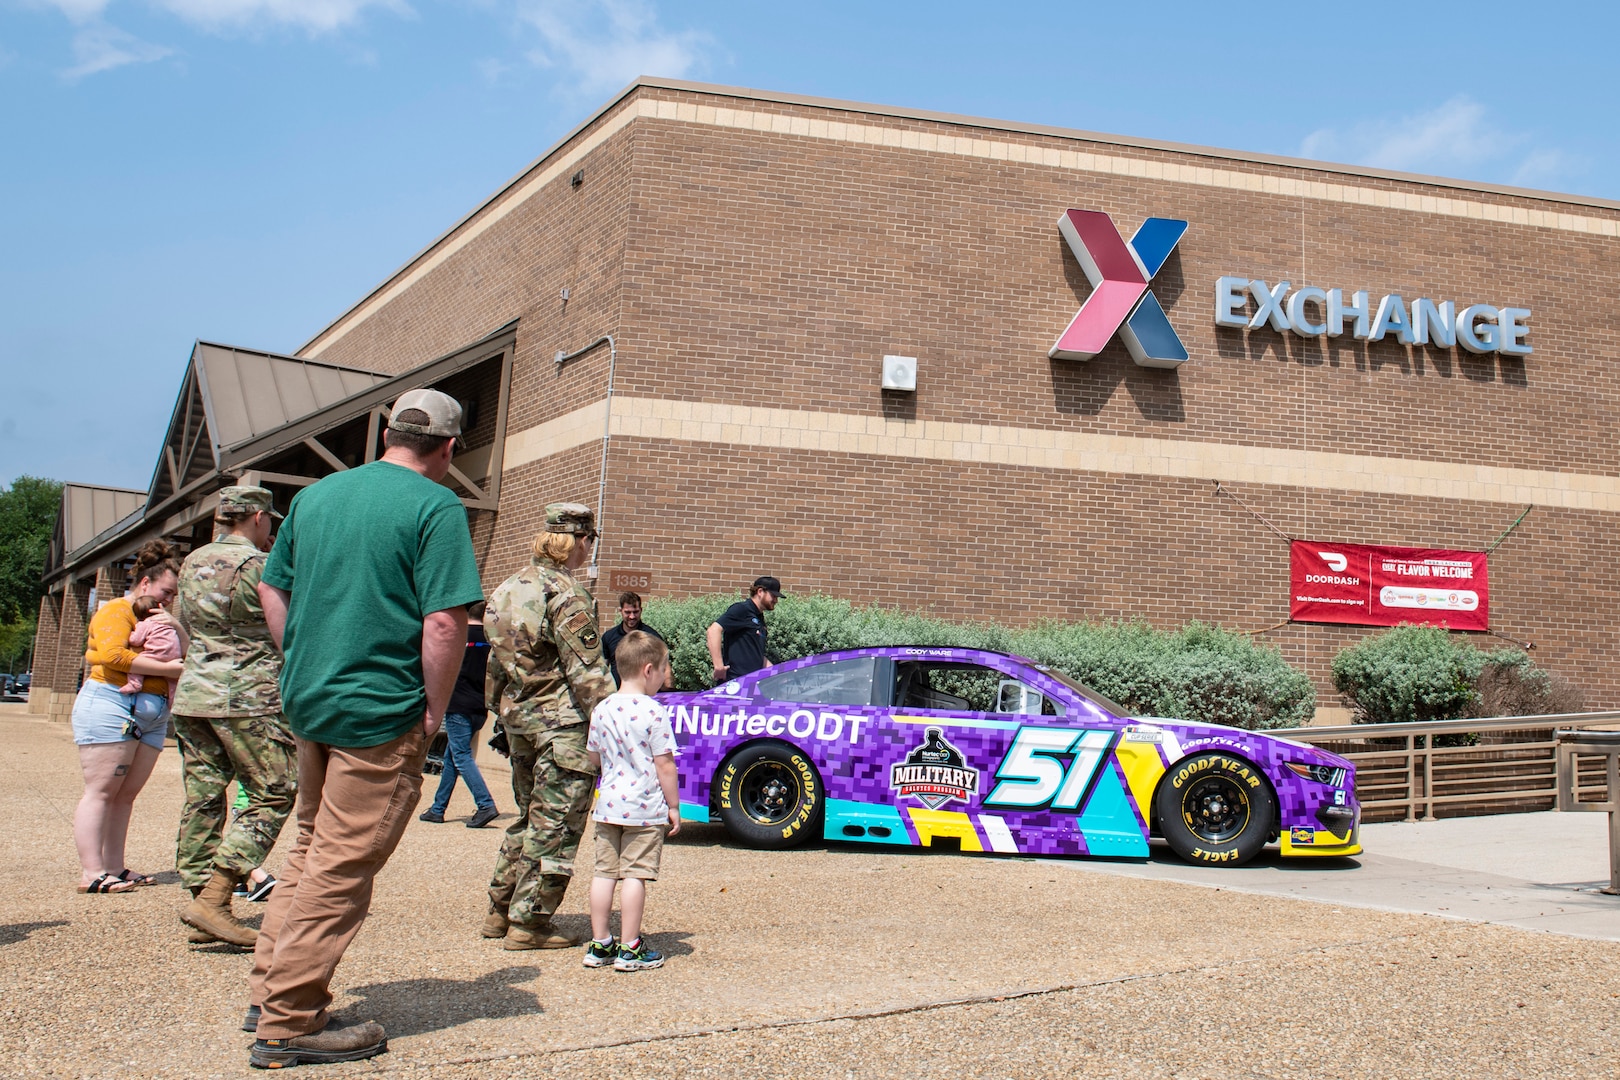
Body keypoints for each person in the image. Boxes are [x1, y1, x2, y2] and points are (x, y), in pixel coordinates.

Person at [246, 388, 483, 1070]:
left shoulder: (319, 497)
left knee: (311, 845)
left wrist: (304, 656)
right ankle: (290, 1021)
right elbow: (445, 621)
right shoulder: (435, 505)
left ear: (386, 431)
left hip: (310, 701)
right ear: (448, 446)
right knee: (343, 863)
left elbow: (272, 584)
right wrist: (434, 709)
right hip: (378, 709)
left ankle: (270, 991)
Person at [483, 503, 616, 951]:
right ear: (579, 541)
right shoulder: (568, 593)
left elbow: (494, 665)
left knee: (526, 819)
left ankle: (500, 911)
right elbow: (588, 674)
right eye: (589, 542)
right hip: (562, 727)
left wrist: (499, 712)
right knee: (555, 825)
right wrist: (616, 727)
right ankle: (530, 923)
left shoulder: (508, 588)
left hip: (520, 720)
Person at [170, 485, 297, 949]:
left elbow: (184, 621)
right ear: (259, 518)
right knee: (277, 789)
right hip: (247, 695)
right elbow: (287, 626)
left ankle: (201, 896)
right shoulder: (259, 566)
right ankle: (217, 897)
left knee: (203, 795)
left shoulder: (191, 562)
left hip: (194, 693)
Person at [71, 539, 187, 894]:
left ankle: (115, 867)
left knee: (125, 795)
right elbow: (112, 656)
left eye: (173, 595)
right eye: (165, 592)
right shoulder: (117, 610)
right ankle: (92, 873)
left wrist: (175, 626)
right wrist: (173, 669)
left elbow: (188, 648)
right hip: (112, 702)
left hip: (152, 712)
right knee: (102, 791)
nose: (168, 600)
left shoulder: (160, 618)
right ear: (146, 584)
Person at [584, 630, 680, 972]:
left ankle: (599, 943)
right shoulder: (653, 711)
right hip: (644, 807)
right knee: (634, 875)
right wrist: (673, 806)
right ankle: (630, 946)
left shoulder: (602, 708)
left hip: (608, 804)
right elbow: (664, 763)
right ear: (648, 670)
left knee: (604, 873)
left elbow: (593, 757)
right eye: (664, 669)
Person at [419, 600, 499, 828]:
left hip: (458, 706)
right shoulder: (491, 641)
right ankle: (438, 808)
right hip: (480, 707)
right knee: (452, 757)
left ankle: (485, 804)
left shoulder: (459, 637)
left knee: (461, 755)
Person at [706, 576, 781, 683]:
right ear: (760, 591)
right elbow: (713, 630)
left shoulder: (759, 617)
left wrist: (776, 674)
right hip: (735, 683)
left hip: (751, 683)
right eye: (773, 596)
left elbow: (756, 654)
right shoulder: (742, 609)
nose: (775, 600)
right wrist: (718, 666)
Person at [120, 596, 180, 724]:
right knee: (173, 682)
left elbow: (136, 641)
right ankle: (174, 701)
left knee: (138, 662)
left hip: (158, 653)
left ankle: (135, 683)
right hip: (175, 654)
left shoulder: (145, 623)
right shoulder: (166, 622)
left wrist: (130, 633)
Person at [600, 591, 664, 686]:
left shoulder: (652, 636)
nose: (632, 616)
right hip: (618, 695)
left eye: (635, 612)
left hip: (645, 695)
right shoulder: (609, 637)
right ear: (620, 611)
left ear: (641, 610)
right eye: (627, 612)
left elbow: (663, 667)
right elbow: (602, 669)